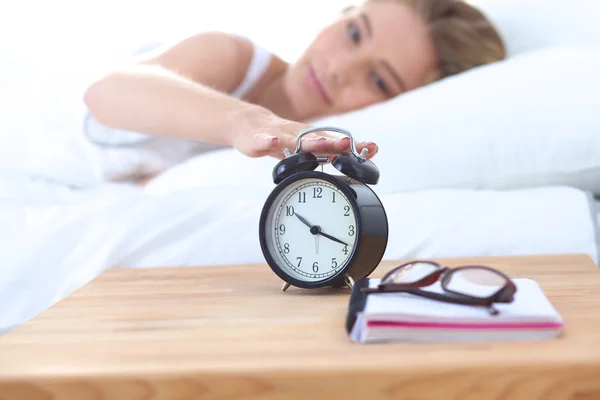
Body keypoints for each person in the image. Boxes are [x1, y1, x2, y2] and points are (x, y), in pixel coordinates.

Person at [83, 0, 505, 182]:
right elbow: (105, 92)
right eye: (354, 32)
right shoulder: (230, 57)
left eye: (379, 80)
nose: (339, 67)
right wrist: (246, 121)